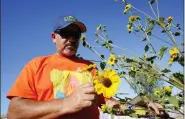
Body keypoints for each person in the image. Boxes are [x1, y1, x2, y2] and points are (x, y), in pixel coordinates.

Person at [7, 15, 165, 119]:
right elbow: (14, 111)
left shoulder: (90, 67)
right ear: (53, 37)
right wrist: (65, 103)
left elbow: (108, 103)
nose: (71, 39)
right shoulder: (36, 64)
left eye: (75, 35)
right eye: (65, 33)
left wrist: (142, 108)